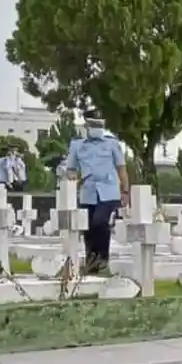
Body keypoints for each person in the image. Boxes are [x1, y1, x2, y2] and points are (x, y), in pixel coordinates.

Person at [62, 112, 129, 273]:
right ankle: (91, 260)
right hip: (87, 191)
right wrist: (72, 178)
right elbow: (71, 168)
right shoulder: (78, 145)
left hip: (108, 191)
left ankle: (103, 257)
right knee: (88, 228)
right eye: (93, 125)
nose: (96, 129)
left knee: (100, 222)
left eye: (99, 126)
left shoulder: (112, 144)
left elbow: (121, 168)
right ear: (86, 127)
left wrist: (125, 191)